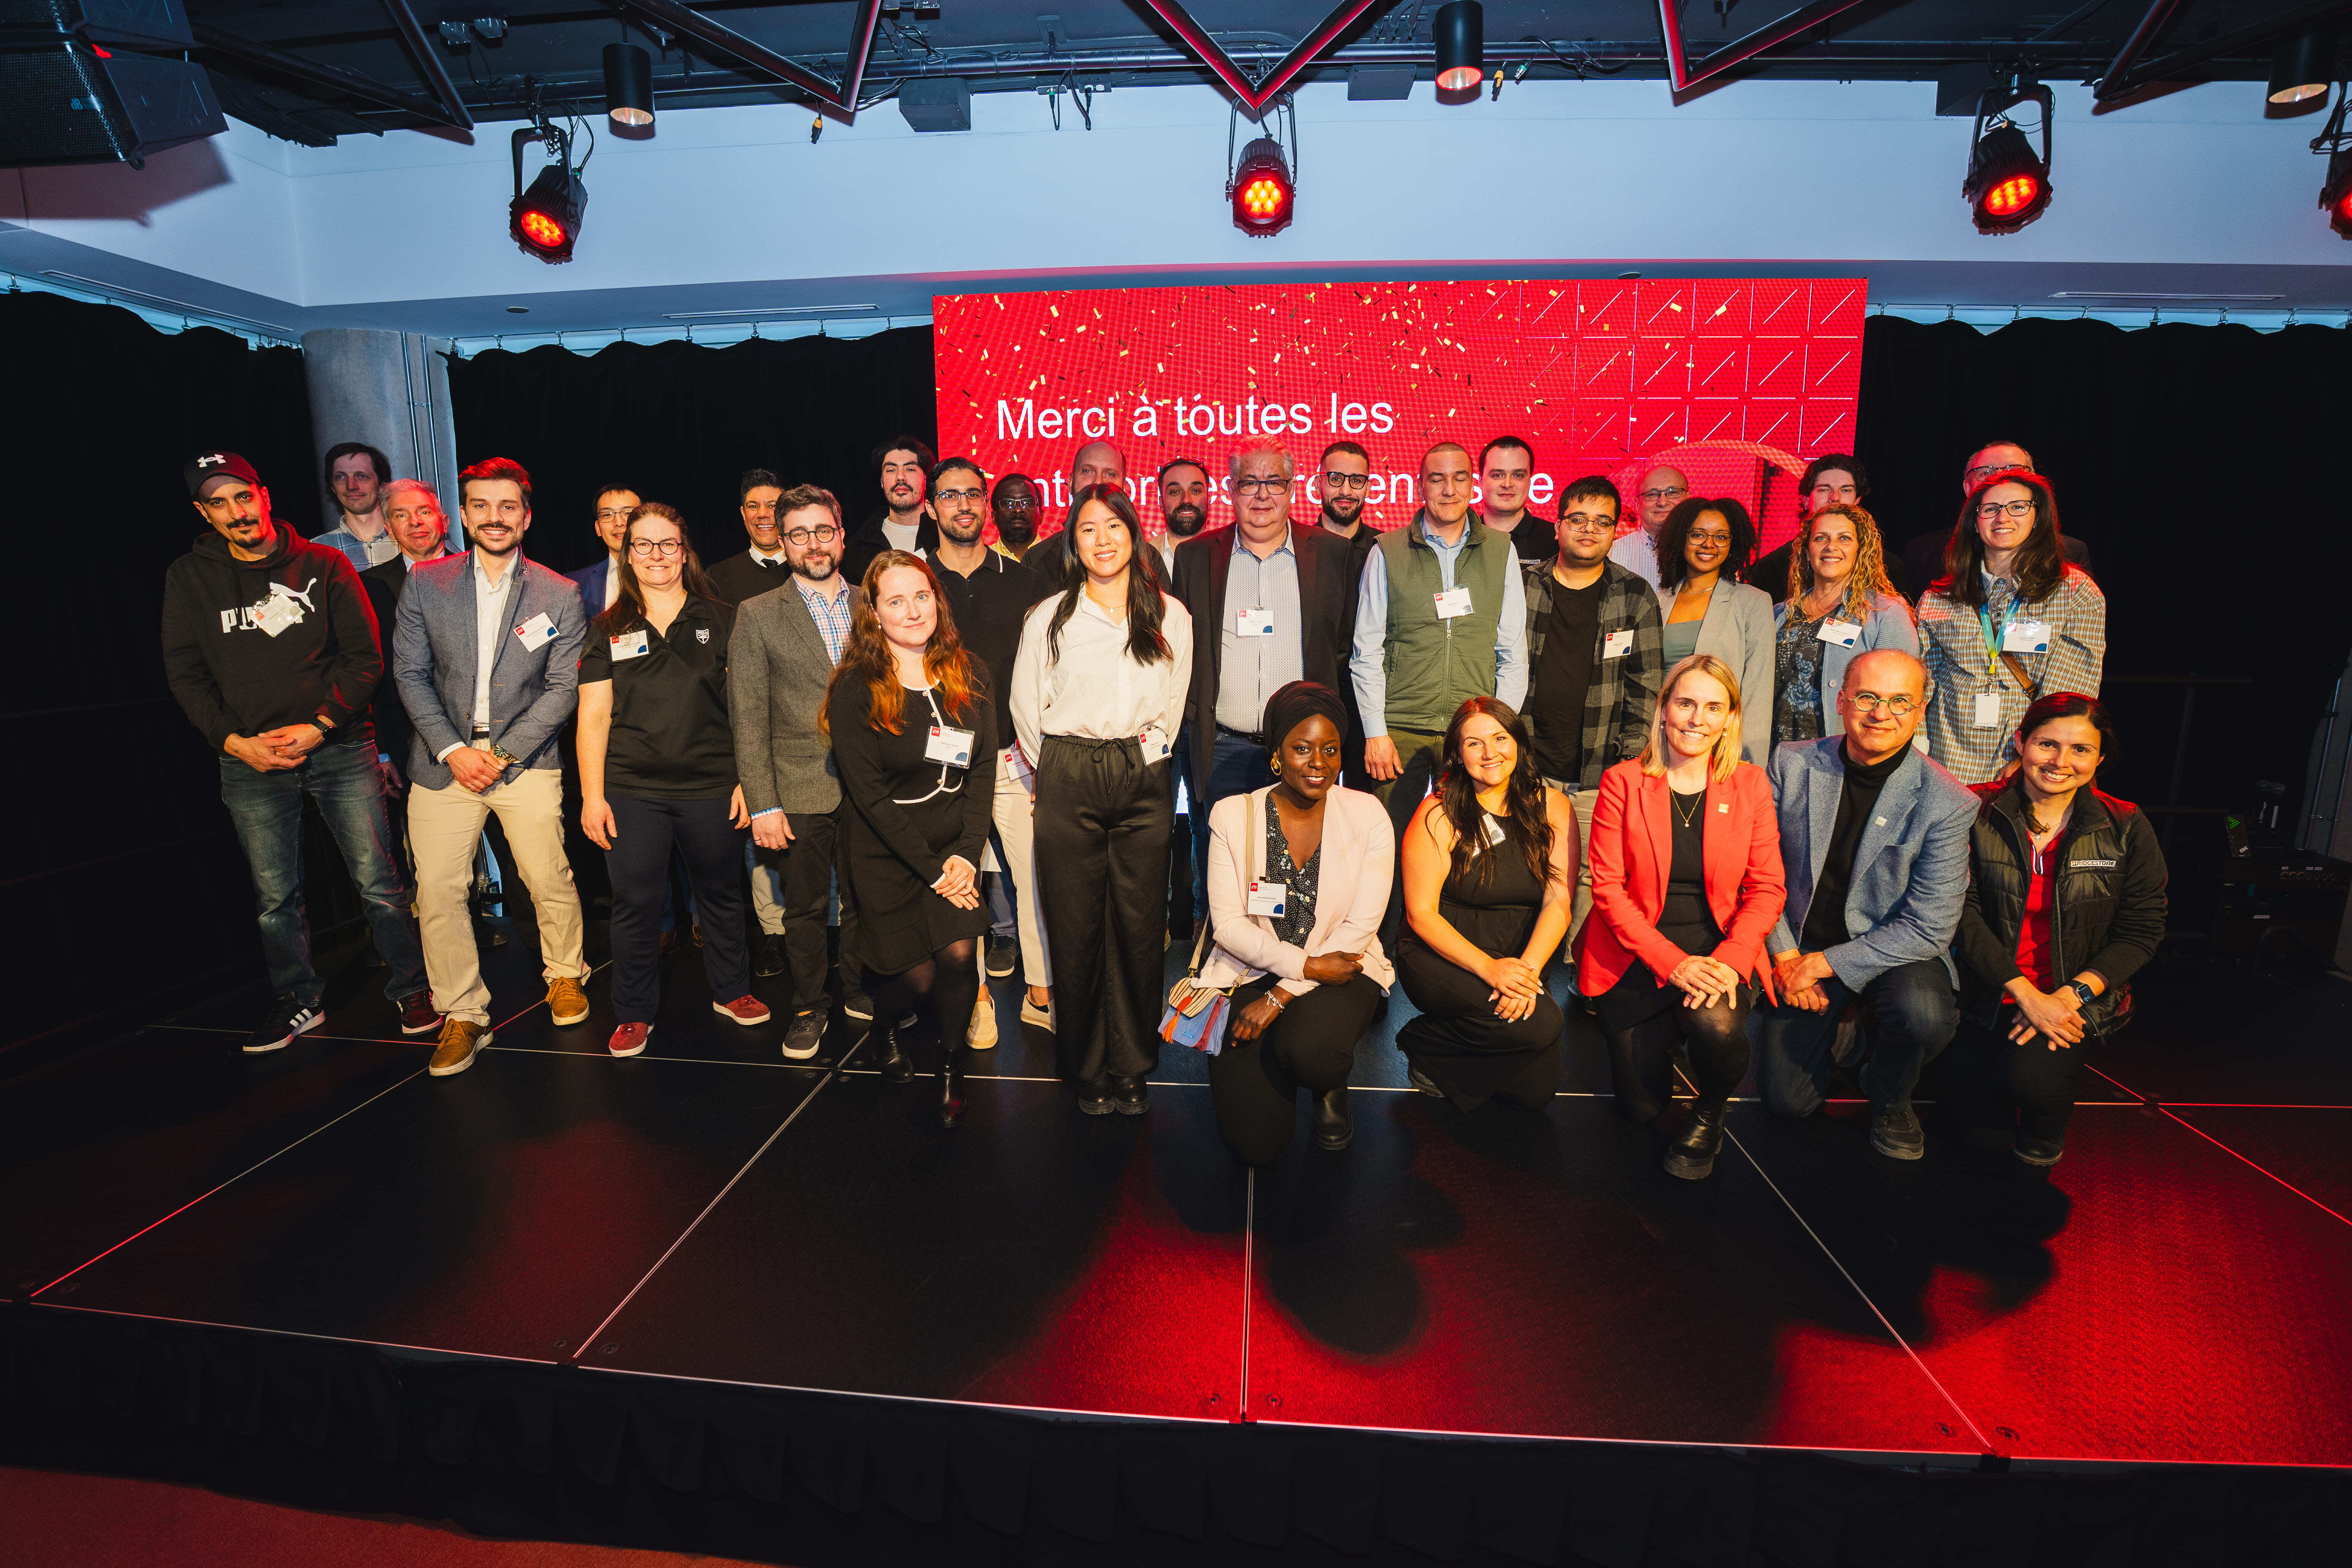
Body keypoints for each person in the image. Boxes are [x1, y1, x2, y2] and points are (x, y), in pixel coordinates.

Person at [163, 451, 434, 1050]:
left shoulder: (325, 562)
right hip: (250, 759)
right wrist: (236, 742)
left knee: (378, 881)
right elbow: (186, 675)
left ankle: (413, 986)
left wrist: (320, 724)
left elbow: (365, 660)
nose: (236, 512)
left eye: (243, 496)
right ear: (203, 514)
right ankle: (298, 1000)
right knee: (274, 895)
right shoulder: (189, 577)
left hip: (338, 745)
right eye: (219, 502)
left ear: (263, 495)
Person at [392, 457, 591, 1076]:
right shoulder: (426, 583)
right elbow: (410, 674)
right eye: (481, 505)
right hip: (442, 760)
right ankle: (463, 1011)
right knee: (439, 890)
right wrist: (455, 750)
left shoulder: (559, 592)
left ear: (526, 516)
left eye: (507, 506)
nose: (494, 517)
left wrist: (502, 754)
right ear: (465, 514)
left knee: (546, 875)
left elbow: (562, 689)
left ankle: (565, 974)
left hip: (523, 759)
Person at [1010, 482, 1193, 1115]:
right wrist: (1058, 769)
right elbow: (1025, 711)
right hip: (1067, 771)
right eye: (1088, 529)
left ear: (1133, 533)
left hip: (1142, 773)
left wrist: (1139, 756)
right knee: (1076, 923)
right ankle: (1085, 1064)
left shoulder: (1170, 615)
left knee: (1142, 926)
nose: (1103, 540)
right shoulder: (1049, 617)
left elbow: (1173, 704)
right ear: (1073, 541)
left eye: (1113, 526)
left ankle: (1134, 1064)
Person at [1754, 650, 1976, 1160]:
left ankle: (1891, 1095)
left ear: (1921, 710)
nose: (1882, 713)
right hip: (1800, 939)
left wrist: (1825, 965)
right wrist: (1787, 957)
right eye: (1869, 697)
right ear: (1842, 700)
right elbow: (1757, 871)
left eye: (1900, 701)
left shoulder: (1948, 801)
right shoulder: (1791, 763)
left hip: (1891, 949)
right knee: (1789, 1104)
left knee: (1925, 1017)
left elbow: (1929, 928)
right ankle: (1847, 1030)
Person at [1579, 656, 1784, 1178]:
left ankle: (1710, 1112)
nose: (1697, 719)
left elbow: (1767, 889)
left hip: (1717, 945)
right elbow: (1608, 890)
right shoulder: (1623, 783)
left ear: (1730, 718)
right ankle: (1669, 1028)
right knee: (1641, 1111)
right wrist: (1673, 964)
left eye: (1713, 707)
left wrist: (1731, 960)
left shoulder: (1751, 785)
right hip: (1635, 953)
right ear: (1664, 709)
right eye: (1686, 703)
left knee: (1715, 1026)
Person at [577, 503, 763, 1056]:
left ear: (685, 551)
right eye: (643, 545)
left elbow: (749, 709)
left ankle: (732, 992)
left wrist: (749, 780)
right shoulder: (607, 627)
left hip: (713, 784)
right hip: (632, 790)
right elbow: (593, 716)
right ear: (627, 554)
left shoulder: (724, 618)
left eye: (668, 544)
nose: (656, 556)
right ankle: (634, 1012)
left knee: (722, 897)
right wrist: (592, 796)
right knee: (636, 903)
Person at [1951, 692, 2167, 1166]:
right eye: (2047, 745)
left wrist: (2067, 999)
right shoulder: (1970, 809)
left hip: (2073, 997)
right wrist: (2027, 996)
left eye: (2081, 750)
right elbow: (1959, 917)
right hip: (1987, 990)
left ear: (2100, 757)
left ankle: (2046, 1129)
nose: (2061, 762)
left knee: (2033, 1084)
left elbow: (2142, 929)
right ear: (2020, 743)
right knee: (1978, 1139)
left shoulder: (2126, 825)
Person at [825, 552, 998, 1125]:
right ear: (873, 614)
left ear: (937, 600)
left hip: (954, 850)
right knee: (914, 977)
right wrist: (933, 871)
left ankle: (951, 1066)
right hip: (885, 853)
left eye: (921, 596)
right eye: (895, 601)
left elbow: (982, 774)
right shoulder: (857, 687)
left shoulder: (971, 673)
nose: (912, 610)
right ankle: (881, 1029)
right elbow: (869, 798)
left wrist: (966, 858)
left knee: (955, 955)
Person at [1197, 682, 1393, 1162]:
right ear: (1277, 755)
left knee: (1314, 1053)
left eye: (1330, 750)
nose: (1319, 763)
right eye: (1302, 749)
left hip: (1342, 970)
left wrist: (1281, 995)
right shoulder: (1232, 815)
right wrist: (1300, 969)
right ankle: (1292, 1062)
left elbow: (1360, 928)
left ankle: (1327, 1085)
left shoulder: (1368, 814)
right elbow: (1228, 926)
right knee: (1255, 1145)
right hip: (1249, 968)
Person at [1170, 437, 1359, 912]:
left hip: (1299, 748)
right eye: (1248, 483)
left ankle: (1285, 967)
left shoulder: (1334, 554)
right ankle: (1216, 964)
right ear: (1230, 491)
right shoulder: (1196, 557)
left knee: (1294, 866)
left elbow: (1343, 646)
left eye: (1273, 482)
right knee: (1221, 864)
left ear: (1294, 488)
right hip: (1222, 746)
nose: (1261, 495)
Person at [1351, 441, 1529, 929]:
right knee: (1385, 850)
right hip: (1400, 731)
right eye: (1437, 479)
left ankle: (1458, 948)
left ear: (1473, 483)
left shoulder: (1500, 550)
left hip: (1471, 730)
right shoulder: (1386, 551)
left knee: (1473, 847)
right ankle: (1380, 954)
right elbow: (1366, 651)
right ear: (1420, 484)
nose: (1449, 489)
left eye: (1458, 478)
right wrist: (1375, 730)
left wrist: (1499, 734)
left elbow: (1512, 650)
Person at [730, 484, 866, 1059]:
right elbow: (748, 716)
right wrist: (762, 803)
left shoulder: (876, 601)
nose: (814, 544)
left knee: (866, 900)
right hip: (798, 786)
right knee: (806, 908)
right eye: (799, 534)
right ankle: (810, 1005)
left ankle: (863, 989)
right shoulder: (757, 614)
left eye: (824, 531)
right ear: (782, 542)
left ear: (841, 533)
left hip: (871, 787)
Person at [1395, 697, 1578, 1113]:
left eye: (1500, 738)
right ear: (1458, 756)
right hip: (1444, 953)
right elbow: (1420, 914)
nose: (1490, 752)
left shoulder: (1553, 807)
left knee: (1535, 1093)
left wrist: (1527, 972)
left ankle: (1446, 1052)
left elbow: (1559, 901)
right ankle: (1423, 1037)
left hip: (1517, 954)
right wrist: (1490, 969)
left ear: (1519, 743)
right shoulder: (1438, 815)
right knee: (1544, 1024)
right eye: (1474, 744)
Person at [927, 457, 1053, 1044]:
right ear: (931, 508)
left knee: (1033, 879)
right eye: (950, 495)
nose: (965, 505)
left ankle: (1041, 990)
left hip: (1014, 760)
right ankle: (977, 993)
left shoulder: (1027, 583)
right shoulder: (913, 583)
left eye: (974, 494)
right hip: (942, 766)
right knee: (962, 882)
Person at [1518, 476, 1665, 953]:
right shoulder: (1522, 587)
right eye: (1578, 519)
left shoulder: (1636, 595)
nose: (1589, 530)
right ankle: (1521, 964)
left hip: (1599, 769)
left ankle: (1575, 972)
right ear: (1558, 525)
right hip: (1526, 765)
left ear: (1615, 530)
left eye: (1602, 522)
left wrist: (1627, 762)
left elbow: (1646, 688)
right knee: (1523, 866)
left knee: (1585, 874)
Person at [1917, 470, 2107, 786]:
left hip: (2027, 766)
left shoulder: (2074, 592)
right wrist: (1918, 752)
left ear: (2038, 518)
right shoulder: (1940, 598)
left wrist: (2031, 759)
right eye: (1990, 509)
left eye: (2017, 507)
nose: (2002, 517)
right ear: (1975, 522)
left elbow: (2071, 693)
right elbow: (1921, 685)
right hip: (1945, 761)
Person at [1768, 503, 1917, 748]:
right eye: (1821, 538)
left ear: (1861, 551)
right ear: (1807, 551)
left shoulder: (1885, 613)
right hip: (1774, 756)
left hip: (1840, 756)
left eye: (1844, 538)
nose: (1831, 547)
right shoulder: (1779, 614)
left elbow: (1901, 698)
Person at [1654, 497, 1775, 765]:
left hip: (1719, 751)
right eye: (1698, 535)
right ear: (1680, 538)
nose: (1709, 544)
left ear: (1734, 544)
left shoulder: (1752, 602)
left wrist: (1748, 764)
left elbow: (1757, 692)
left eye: (1721, 537)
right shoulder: (1658, 601)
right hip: (1657, 744)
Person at [359, 480, 458, 795]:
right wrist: (382, 751)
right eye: (401, 515)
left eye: (424, 511)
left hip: (490, 736)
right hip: (406, 741)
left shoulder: (485, 574)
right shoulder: (366, 588)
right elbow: (367, 672)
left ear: (445, 521)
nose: (415, 522)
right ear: (389, 528)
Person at [1899, 441, 2092, 601]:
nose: (2001, 478)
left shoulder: (2072, 559)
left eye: (2015, 470)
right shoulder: (1922, 553)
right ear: (1968, 488)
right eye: (1987, 472)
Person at [1743, 454, 1907, 603]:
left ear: (1858, 500)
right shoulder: (1771, 568)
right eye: (1824, 489)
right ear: (1806, 499)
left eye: (1846, 490)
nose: (1835, 498)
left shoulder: (1890, 568)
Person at [1315, 439, 1380, 784]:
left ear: (1368, 487)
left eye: (1357, 481)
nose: (1346, 490)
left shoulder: (1387, 550)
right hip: (1313, 696)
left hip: (1370, 707)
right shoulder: (1295, 548)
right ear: (1318, 483)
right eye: (1336, 478)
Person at [841, 435, 939, 584]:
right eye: (891, 470)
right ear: (881, 482)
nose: (901, 477)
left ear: (926, 478)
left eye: (910, 469)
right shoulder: (857, 550)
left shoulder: (945, 538)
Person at [703, 469, 791, 609]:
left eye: (773, 506)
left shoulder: (807, 570)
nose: (763, 514)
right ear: (743, 514)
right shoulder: (716, 578)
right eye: (753, 506)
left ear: (788, 512)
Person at [315, 441, 401, 572]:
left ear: (382, 484)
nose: (351, 486)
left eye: (362, 476)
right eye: (341, 477)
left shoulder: (408, 539)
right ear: (333, 488)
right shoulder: (318, 550)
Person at [1608, 464, 1690, 589]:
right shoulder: (1612, 554)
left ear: (1688, 499)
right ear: (1637, 505)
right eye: (1652, 494)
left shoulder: (1706, 551)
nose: (1662, 502)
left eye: (1673, 493)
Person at [566, 482, 642, 613]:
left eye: (628, 513)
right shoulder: (574, 584)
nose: (619, 523)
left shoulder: (669, 573)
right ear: (598, 528)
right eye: (607, 515)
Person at [1479, 436, 1549, 563]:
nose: (1507, 484)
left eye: (1518, 475)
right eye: (1498, 475)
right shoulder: (1460, 540)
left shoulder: (1556, 541)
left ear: (1530, 482)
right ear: (1480, 482)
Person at [1157, 456, 1212, 572]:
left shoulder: (1229, 556)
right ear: (1161, 503)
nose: (1186, 500)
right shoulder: (1141, 558)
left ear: (1209, 499)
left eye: (1196, 491)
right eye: (1175, 492)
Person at [991, 473, 1043, 561]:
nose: (1018, 509)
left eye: (1028, 503)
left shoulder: (1059, 559)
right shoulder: (982, 562)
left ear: (1041, 516)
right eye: (1008, 503)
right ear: (994, 517)